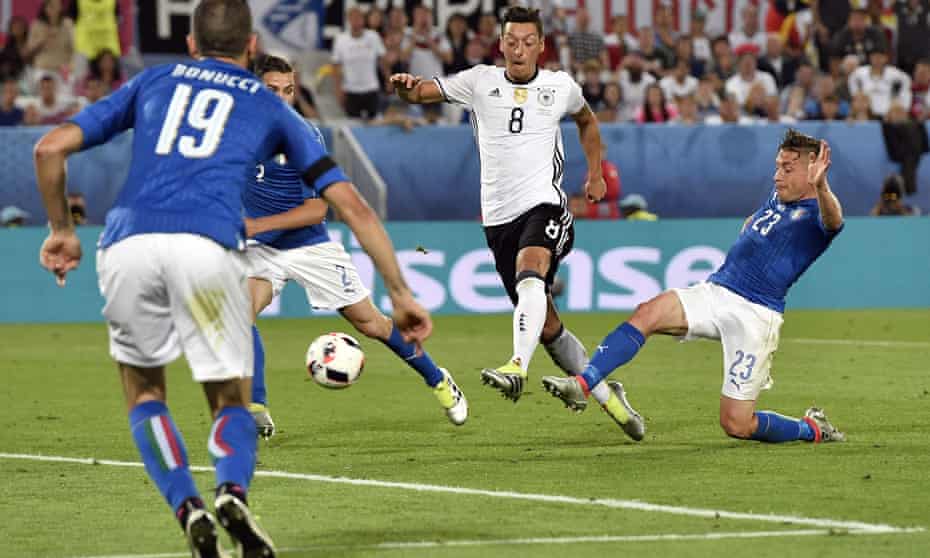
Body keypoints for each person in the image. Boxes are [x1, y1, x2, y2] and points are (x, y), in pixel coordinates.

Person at [32, 0, 432, 556]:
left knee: (145, 392)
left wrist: (61, 230)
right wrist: (401, 292)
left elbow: (49, 148)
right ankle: (231, 492)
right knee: (229, 402)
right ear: (249, 49)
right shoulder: (271, 109)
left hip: (126, 244)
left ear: (191, 45)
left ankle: (187, 506)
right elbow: (354, 208)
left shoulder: (154, 79)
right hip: (208, 247)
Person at [389, 6, 641, 435]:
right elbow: (423, 93)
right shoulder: (479, 81)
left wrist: (595, 171)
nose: (519, 50)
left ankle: (516, 367)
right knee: (547, 326)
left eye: (528, 42)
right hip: (498, 219)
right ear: (501, 43)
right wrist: (407, 88)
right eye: (511, 42)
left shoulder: (559, 86)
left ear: (542, 45)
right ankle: (606, 394)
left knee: (531, 270)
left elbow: (587, 120)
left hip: (546, 205)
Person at [542, 129, 846, 446]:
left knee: (737, 423)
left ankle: (811, 428)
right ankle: (585, 383)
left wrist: (822, 186)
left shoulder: (817, 215)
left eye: (786, 169)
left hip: (756, 316)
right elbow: (757, 222)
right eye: (777, 166)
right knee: (648, 312)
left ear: (812, 171)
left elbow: (834, 221)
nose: (776, 176)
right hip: (716, 291)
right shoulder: (779, 196)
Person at [244, 55, 467, 438]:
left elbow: (317, 209)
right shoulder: (233, 132)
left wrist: (256, 224)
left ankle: (438, 379)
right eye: (271, 91)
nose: (282, 100)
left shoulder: (303, 135)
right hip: (260, 250)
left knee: (373, 325)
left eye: (289, 91)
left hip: (308, 246)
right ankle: (256, 408)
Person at [332, 6, 385, 120]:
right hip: (351, 90)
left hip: (371, 89)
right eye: (353, 17)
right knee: (353, 124)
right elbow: (336, 67)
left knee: (375, 123)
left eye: (359, 17)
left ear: (363, 19)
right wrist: (338, 89)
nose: (356, 20)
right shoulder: (341, 40)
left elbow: (382, 61)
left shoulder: (373, 37)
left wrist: (389, 79)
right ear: (348, 20)